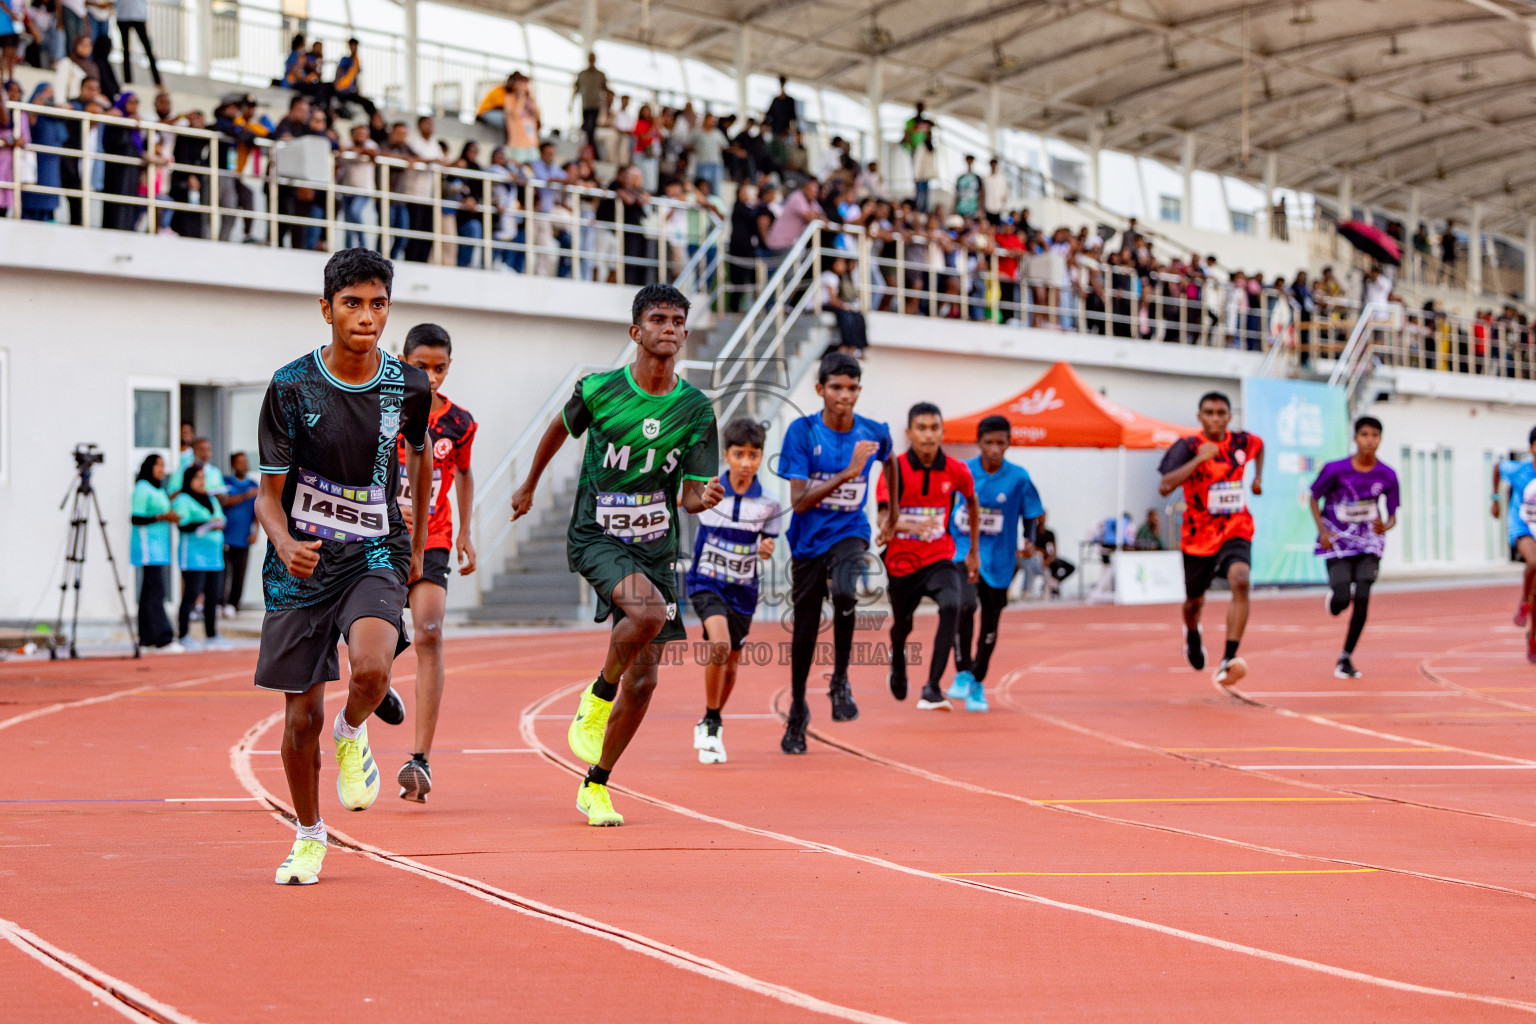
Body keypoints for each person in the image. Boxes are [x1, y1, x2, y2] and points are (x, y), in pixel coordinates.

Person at [510, 283, 721, 826]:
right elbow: (559, 427)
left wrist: (707, 496)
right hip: (597, 535)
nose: (669, 329)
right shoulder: (601, 389)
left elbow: (692, 496)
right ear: (637, 331)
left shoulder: (696, 410)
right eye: (658, 319)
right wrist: (530, 485)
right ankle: (597, 696)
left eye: (678, 321)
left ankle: (596, 783)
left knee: (647, 680)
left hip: (656, 546)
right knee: (647, 614)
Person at [254, 248, 432, 886]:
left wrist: (412, 536)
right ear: (326, 309)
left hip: (373, 551)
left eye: (377, 304)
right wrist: (283, 544)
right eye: (352, 304)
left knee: (373, 667)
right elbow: (267, 499)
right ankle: (308, 834)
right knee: (299, 718)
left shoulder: (408, 385)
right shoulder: (290, 387)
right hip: (300, 564)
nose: (366, 316)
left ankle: (353, 730)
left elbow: (420, 453)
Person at [777, 352, 894, 750]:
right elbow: (800, 501)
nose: (844, 396)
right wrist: (848, 473)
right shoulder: (802, 432)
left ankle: (840, 681)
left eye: (851, 388)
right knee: (805, 630)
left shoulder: (874, 431)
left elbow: (891, 462)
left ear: (859, 390)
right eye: (836, 388)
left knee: (846, 591)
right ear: (820, 390)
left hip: (851, 531)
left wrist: (889, 514)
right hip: (808, 541)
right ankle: (797, 711)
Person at [393, 324, 477, 802]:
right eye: (420, 366)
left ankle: (420, 759)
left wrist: (465, 530)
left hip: (436, 537)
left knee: (429, 630)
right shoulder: (380, 411)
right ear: (401, 359)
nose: (430, 375)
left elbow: (463, 474)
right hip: (382, 534)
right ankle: (376, 679)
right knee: (376, 634)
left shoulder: (459, 423)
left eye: (439, 368)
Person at [685, 416, 780, 764]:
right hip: (706, 583)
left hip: (743, 591)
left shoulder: (769, 502)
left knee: (732, 664)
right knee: (719, 645)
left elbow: (769, 539)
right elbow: (680, 499)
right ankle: (711, 722)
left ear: (760, 458)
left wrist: (767, 548)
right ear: (726, 455)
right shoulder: (708, 490)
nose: (746, 462)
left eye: (754, 455)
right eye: (739, 454)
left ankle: (711, 717)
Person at [874, 403, 979, 711]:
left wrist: (973, 552)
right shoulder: (895, 469)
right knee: (902, 625)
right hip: (902, 562)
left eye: (934, 428)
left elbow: (972, 502)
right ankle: (898, 661)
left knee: (953, 605)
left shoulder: (956, 470)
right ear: (909, 433)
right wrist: (908, 524)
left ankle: (932, 687)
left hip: (939, 557)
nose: (929, 435)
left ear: (942, 432)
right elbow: (883, 520)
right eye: (922, 428)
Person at [1158, 391, 1264, 691]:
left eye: (1221, 412)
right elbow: (1165, 486)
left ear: (1229, 417)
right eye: (1209, 413)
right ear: (1199, 417)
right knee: (1194, 601)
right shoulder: (1188, 446)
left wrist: (1257, 478)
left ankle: (1228, 660)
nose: (1216, 418)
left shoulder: (1242, 442)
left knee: (1241, 579)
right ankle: (1192, 635)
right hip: (1198, 536)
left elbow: (1261, 445)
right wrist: (1200, 458)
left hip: (1235, 526)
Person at [947, 415, 1042, 711]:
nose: (994, 449)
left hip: (1000, 559)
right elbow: (945, 504)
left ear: (1009, 444)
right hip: (964, 550)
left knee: (990, 620)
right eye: (988, 442)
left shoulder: (1019, 477)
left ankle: (977, 681)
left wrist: (1029, 539)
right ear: (978, 443)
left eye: (1001, 443)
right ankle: (962, 671)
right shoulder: (963, 471)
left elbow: (1033, 514)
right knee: (963, 604)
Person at [1311, 416, 1398, 679]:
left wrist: (1387, 526)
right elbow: (1314, 498)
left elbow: (1392, 513)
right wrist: (1322, 531)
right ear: (1355, 437)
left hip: (1369, 542)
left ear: (1380, 439)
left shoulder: (1387, 474)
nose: (1369, 440)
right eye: (1364, 435)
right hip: (1337, 541)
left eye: (1375, 435)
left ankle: (1346, 657)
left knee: (1362, 593)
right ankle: (1336, 599)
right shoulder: (1335, 470)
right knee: (1341, 598)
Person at [1494, 427, 1536, 662]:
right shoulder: (1519, 470)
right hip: (1522, 526)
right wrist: (1495, 499)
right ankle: (1523, 602)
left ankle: (1533, 637)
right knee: (1533, 561)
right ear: (1532, 448)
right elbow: (1496, 468)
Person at [130, 454, 180, 651]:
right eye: (158, 465)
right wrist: (162, 516)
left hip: (159, 548)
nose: (162, 469)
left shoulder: (158, 489)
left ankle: (147, 637)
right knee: (155, 591)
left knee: (149, 592)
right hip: (147, 547)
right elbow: (136, 518)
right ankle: (162, 637)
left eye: (163, 465)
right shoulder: (142, 488)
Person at [172, 464, 225, 647]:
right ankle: (184, 634)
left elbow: (221, 518)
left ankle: (211, 634)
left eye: (203, 477)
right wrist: (207, 523)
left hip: (214, 557)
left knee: (213, 596)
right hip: (194, 557)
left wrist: (217, 524)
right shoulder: (183, 500)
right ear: (188, 480)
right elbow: (182, 524)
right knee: (191, 595)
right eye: (197, 477)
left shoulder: (211, 499)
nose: (201, 481)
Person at [221, 452, 258, 615]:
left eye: (245, 462)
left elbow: (259, 510)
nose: (243, 465)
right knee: (222, 573)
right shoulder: (226, 482)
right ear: (232, 465)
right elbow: (224, 501)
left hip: (243, 537)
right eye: (239, 462)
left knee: (239, 573)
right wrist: (244, 495)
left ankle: (233, 605)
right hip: (225, 536)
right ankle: (219, 603)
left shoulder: (253, 484)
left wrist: (256, 531)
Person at [113, 0, 157, 86]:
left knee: (147, 49)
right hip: (123, 16)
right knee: (126, 50)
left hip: (138, 15)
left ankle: (157, 80)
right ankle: (127, 80)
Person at [573, 51, 606, 149]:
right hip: (585, 104)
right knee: (587, 126)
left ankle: (591, 148)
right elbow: (576, 89)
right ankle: (590, 148)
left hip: (596, 105)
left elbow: (605, 89)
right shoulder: (582, 74)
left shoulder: (600, 75)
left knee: (591, 127)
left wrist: (606, 108)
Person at [953, 155, 981, 219]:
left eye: (971, 161)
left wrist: (980, 208)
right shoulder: (961, 177)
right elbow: (957, 194)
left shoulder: (977, 178)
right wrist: (954, 207)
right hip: (961, 208)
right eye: (968, 160)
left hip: (973, 208)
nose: (969, 163)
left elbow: (980, 193)